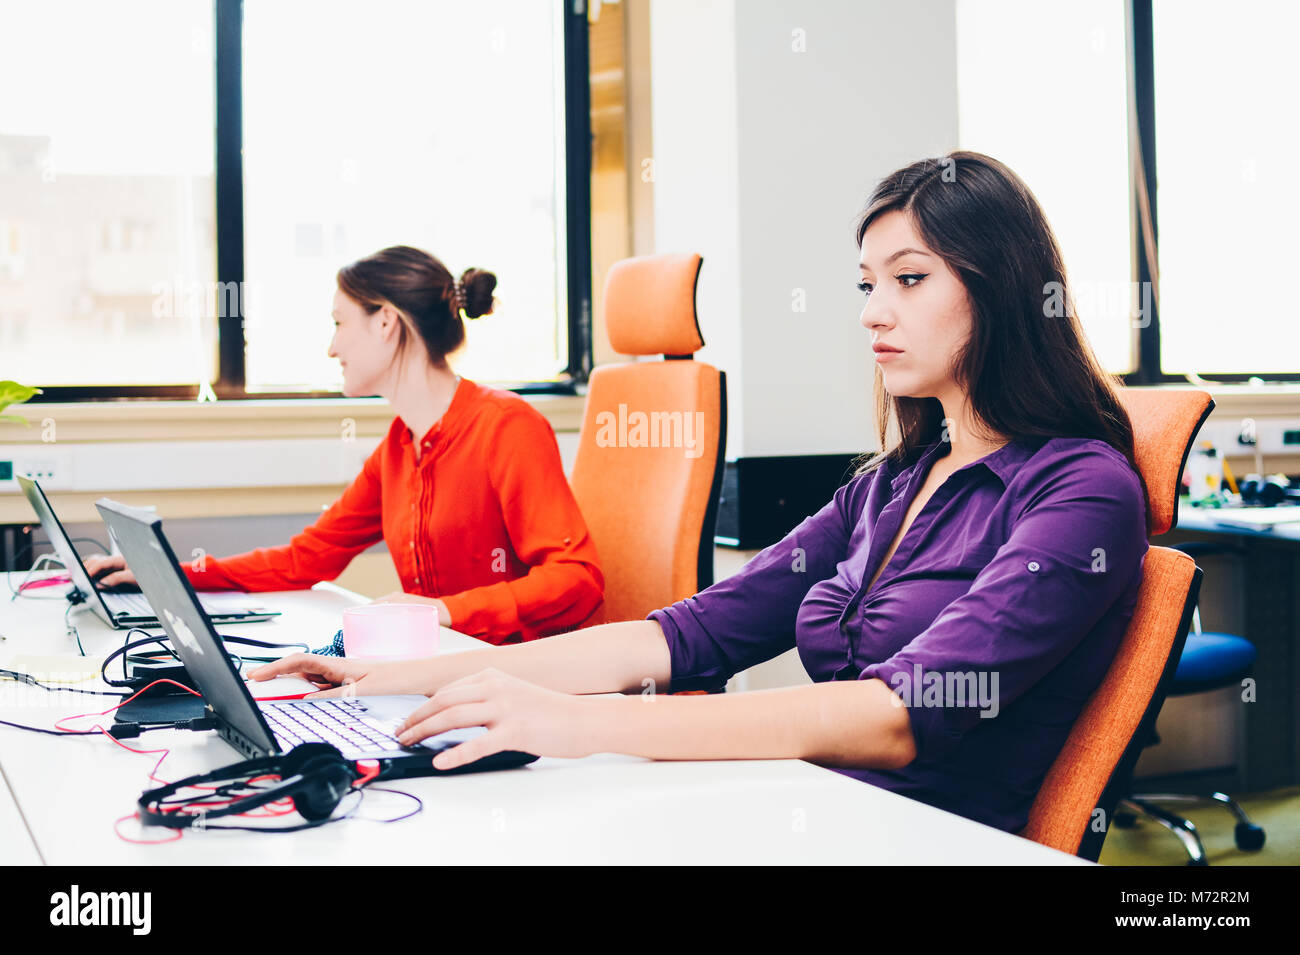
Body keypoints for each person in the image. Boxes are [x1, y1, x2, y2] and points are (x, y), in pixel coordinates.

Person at [250, 153, 1151, 834]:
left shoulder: (1081, 491)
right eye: (868, 284)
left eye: (909, 279)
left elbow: (903, 714)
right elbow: (686, 634)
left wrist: (580, 724)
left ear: (1000, 290)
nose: (873, 311)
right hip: (802, 803)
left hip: (915, 835)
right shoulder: (890, 484)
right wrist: (392, 677)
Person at [85, 245, 603, 645]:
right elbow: (304, 560)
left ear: (385, 322)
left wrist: (442, 611)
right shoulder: (399, 449)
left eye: (339, 322)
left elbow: (577, 580)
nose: (331, 346)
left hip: (515, 681)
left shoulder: (507, 427)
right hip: (434, 670)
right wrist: (177, 573)